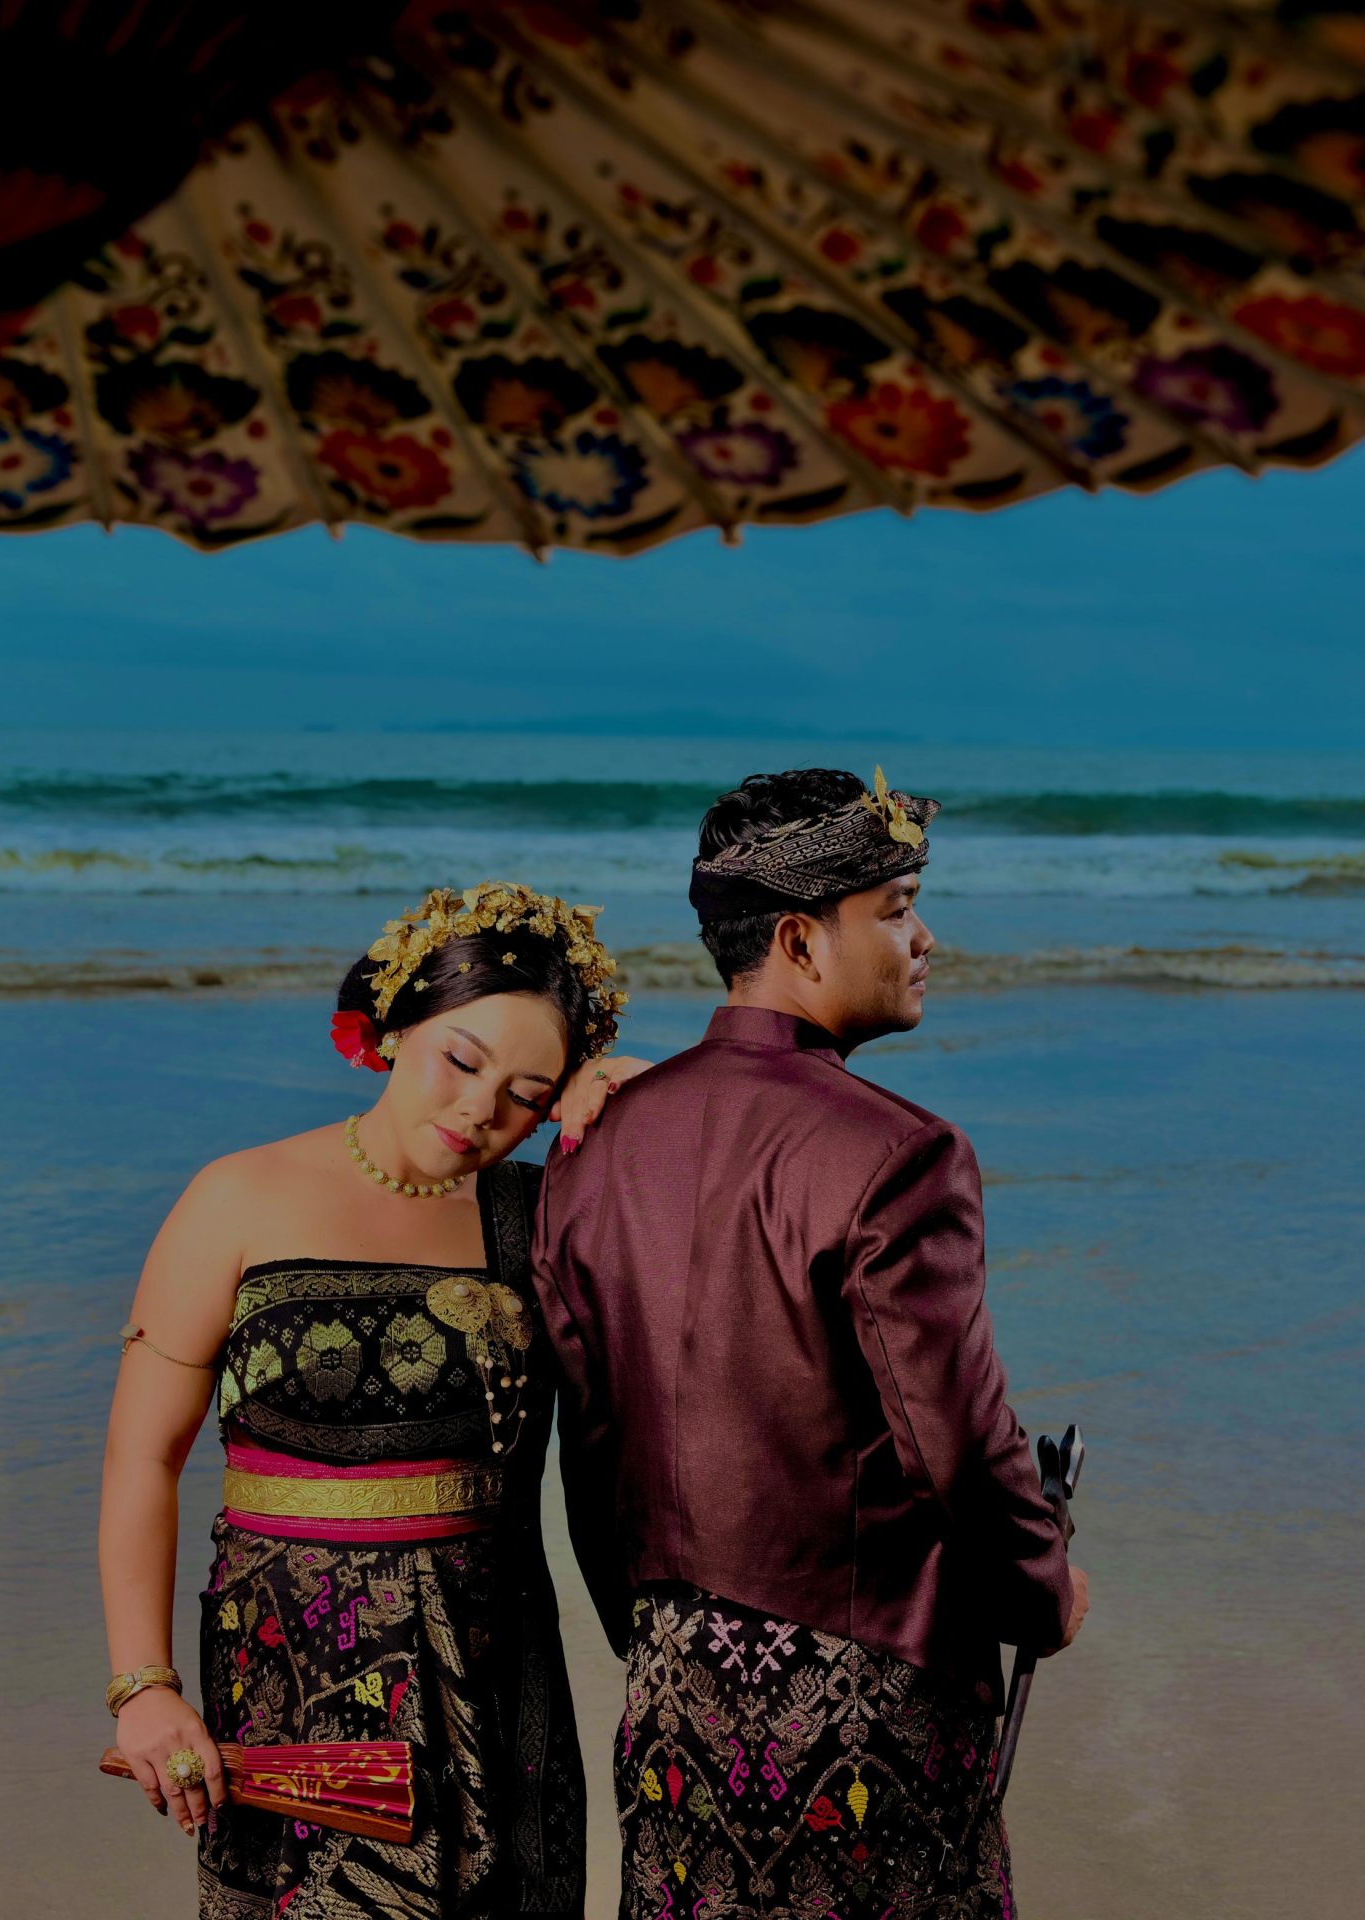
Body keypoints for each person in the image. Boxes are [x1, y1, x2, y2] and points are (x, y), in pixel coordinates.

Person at [535, 767, 1090, 1920]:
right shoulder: (902, 1154)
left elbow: (591, 1446)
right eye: (896, 910)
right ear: (798, 938)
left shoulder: (594, 1149)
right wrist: (1041, 1590)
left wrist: (656, 1631)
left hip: (673, 1689)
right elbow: (959, 1445)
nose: (924, 939)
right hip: (863, 1703)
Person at [98, 883, 644, 1920]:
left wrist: (640, 1101)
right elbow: (141, 1458)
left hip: (492, 1670)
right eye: (461, 1060)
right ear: (394, 1027)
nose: (481, 1110)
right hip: (288, 1672)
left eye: (529, 1091)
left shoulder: (541, 1214)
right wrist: (145, 1685)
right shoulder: (236, 1197)